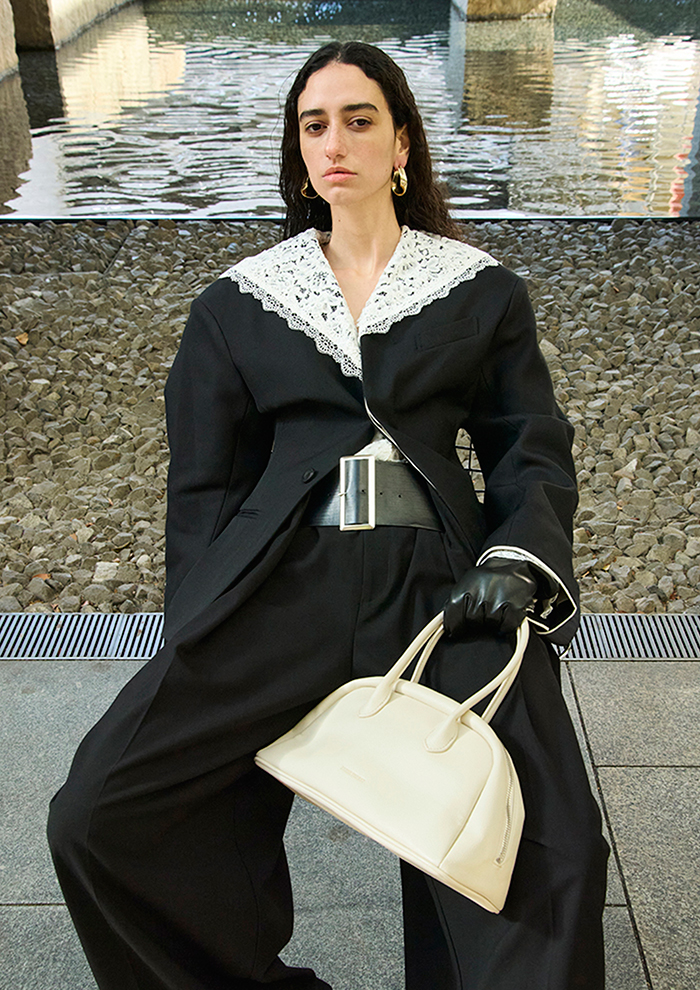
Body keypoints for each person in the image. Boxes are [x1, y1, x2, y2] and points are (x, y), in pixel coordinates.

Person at [48, 41, 609, 990]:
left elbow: (530, 446)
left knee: (554, 843)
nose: (335, 142)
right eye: (315, 125)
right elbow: (202, 490)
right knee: (99, 815)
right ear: (298, 151)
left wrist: (515, 560)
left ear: (402, 144)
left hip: (441, 585)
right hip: (282, 583)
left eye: (359, 120)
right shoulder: (237, 304)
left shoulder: (481, 289)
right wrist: (197, 625)